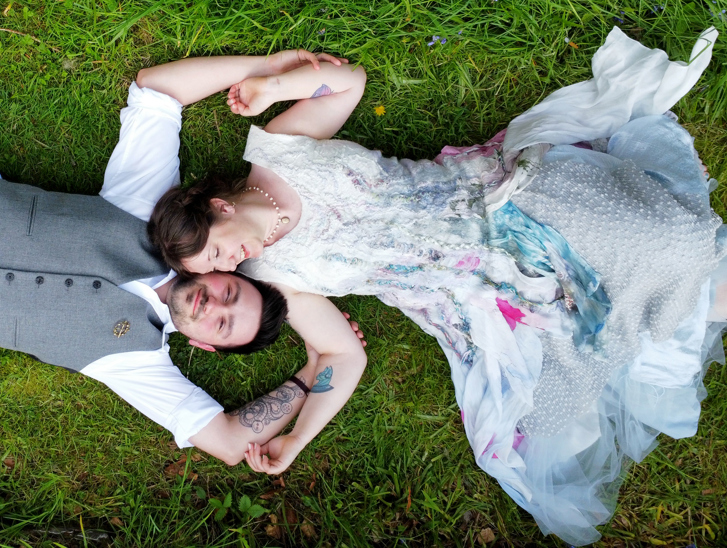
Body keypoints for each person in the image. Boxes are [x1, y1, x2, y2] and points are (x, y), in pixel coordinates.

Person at [145, 29, 725, 546]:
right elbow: (339, 355)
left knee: (671, 246)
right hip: (474, 295)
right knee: (561, 413)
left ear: (220, 206)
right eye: (218, 267)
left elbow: (348, 82)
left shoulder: (276, 150)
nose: (233, 262)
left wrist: (274, 86)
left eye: (219, 250)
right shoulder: (275, 276)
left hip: (496, 200)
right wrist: (297, 440)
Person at [0, 49, 367, 477]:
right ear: (219, 271)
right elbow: (157, 89)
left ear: (204, 347)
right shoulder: (151, 217)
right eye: (229, 292)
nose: (212, 307)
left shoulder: (132, 359)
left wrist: (307, 377)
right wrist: (268, 69)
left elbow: (230, 444)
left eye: (222, 325)